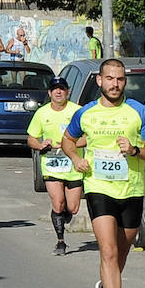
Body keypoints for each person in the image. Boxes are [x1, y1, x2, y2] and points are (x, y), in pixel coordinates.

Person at [61, 58, 145, 288]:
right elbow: (67, 140)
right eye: (110, 78)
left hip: (131, 189)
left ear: (124, 82)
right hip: (98, 187)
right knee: (108, 251)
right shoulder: (87, 113)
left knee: (122, 251)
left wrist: (135, 150)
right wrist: (75, 158)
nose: (115, 84)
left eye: (119, 79)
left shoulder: (137, 112)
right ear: (99, 81)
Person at [26, 76, 84, 256]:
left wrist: (69, 145)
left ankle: (63, 214)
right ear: (50, 93)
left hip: (73, 165)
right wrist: (41, 145)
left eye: (62, 89)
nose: (58, 92)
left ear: (68, 92)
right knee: (57, 203)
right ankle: (60, 242)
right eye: (55, 89)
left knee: (72, 208)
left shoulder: (78, 111)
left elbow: (88, 137)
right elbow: (31, 138)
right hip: (52, 165)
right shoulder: (42, 113)